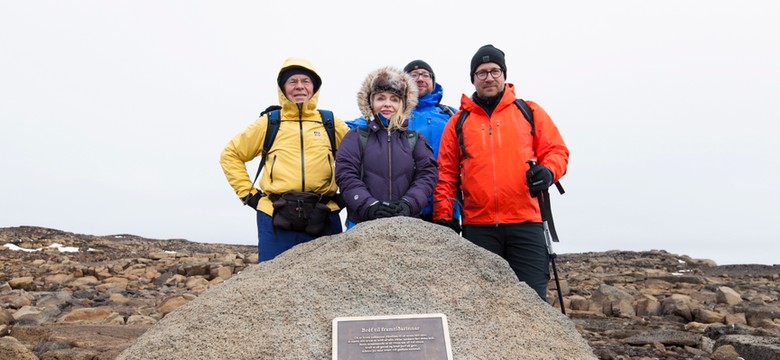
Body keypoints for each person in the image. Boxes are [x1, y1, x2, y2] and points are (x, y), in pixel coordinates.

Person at [433, 45, 570, 300]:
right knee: (482, 301)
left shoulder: (529, 111)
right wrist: (443, 217)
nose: (489, 77)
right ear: (473, 79)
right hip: (478, 227)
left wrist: (549, 172)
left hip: (526, 222)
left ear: (504, 75)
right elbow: (446, 174)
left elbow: (557, 151)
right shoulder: (458, 122)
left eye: (495, 71)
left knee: (533, 300)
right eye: (482, 72)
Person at [220, 57, 349, 263]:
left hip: (324, 215)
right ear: (283, 88)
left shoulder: (330, 122)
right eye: (293, 82)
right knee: (271, 286)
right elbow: (230, 155)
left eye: (306, 81)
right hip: (275, 215)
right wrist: (249, 196)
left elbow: (359, 159)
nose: (300, 86)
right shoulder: (269, 122)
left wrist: (347, 196)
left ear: (314, 87)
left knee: (327, 285)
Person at [335, 66, 438, 228]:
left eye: (394, 99)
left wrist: (408, 204)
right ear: (370, 102)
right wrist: (369, 205)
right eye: (381, 98)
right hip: (361, 224)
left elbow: (427, 176)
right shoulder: (355, 137)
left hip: (408, 225)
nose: (387, 104)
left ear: (403, 104)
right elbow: (346, 175)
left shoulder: (415, 139)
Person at [401, 60, 461, 225]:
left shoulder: (451, 115)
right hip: (404, 205)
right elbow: (352, 128)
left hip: (446, 204)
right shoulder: (391, 113)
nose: (420, 78)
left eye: (425, 75)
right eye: (413, 75)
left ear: (433, 82)